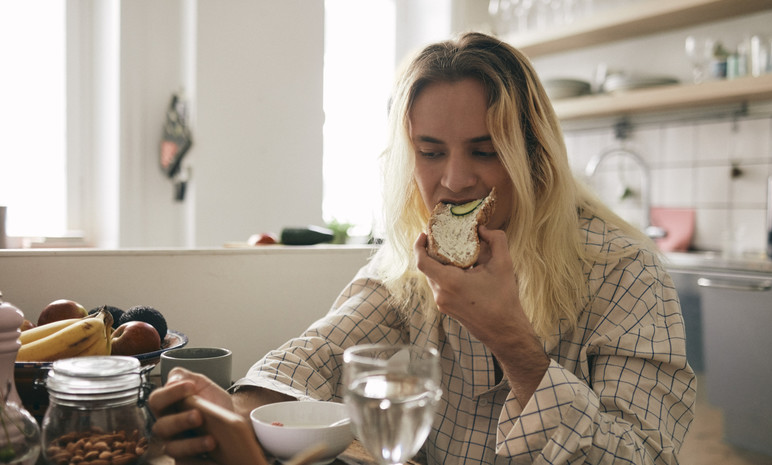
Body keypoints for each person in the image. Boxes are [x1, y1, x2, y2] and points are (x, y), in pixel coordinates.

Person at [149, 32, 696, 464]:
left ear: (536, 157)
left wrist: (511, 340)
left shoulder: (625, 271)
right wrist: (234, 413)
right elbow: (315, 357)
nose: (455, 181)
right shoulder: (411, 266)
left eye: (484, 151)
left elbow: (639, 455)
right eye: (431, 153)